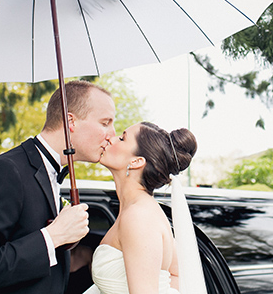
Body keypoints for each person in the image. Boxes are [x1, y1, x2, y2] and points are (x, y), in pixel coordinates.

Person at [0, 80, 116, 294]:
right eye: (105, 122)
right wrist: (52, 236)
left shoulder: (51, 173)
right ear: (70, 121)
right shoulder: (6, 172)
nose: (112, 135)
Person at [83, 122, 207, 294]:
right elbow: (177, 273)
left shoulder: (139, 217)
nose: (111, 139)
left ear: (136, 161)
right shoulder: (140, 210)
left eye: (122, 138)